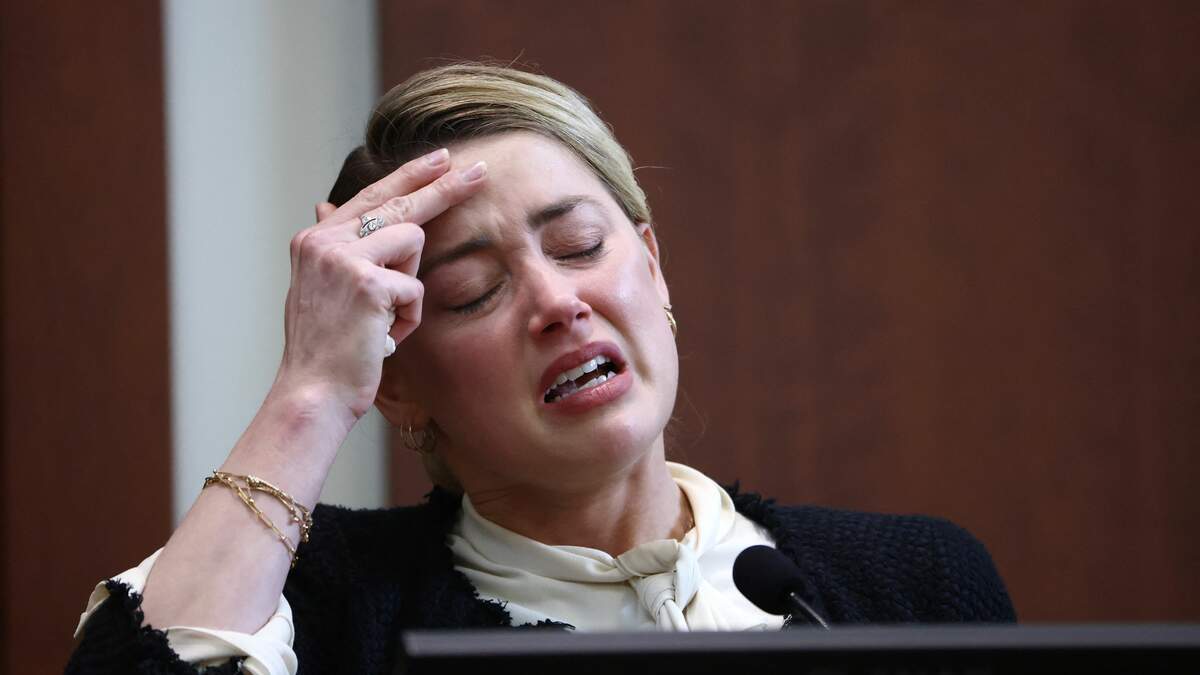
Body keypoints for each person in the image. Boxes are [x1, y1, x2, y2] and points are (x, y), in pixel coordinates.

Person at [66, 63, 1016, 675]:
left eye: (579, 244)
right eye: (474, 290)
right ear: (398, 382)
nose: (557, 302)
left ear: (653, 265)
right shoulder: (325, 601)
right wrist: (310, 389)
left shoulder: (916, 583)